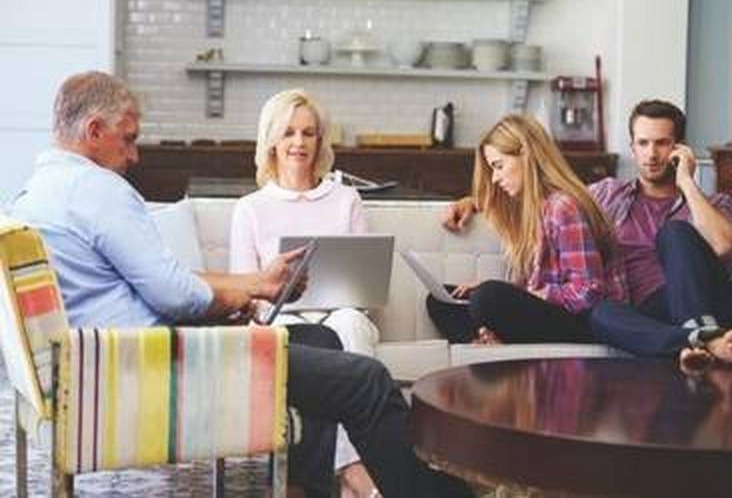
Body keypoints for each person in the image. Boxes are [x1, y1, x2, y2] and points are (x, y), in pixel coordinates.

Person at [11, 71, 472, 498]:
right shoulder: (99, 190)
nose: (134, 155)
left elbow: (153, 283)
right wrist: (248, 292)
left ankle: (306, 486)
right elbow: (174, 294)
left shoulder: (34, 195)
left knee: (326, 338)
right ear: (94, 131)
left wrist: (249, 287)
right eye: (128, 140)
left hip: (101, 361)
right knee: (367, 380)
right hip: (159, 364)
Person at [442, 100, 732, 368]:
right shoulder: (607, 194)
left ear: (679, 148)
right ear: (632, 148)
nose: (652, 154)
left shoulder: (713, 204)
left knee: (674, 233)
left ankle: (704, 333)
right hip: (640, 314)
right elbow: (552, 196)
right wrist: (474, 202)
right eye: (643, 143)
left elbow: (723, 246)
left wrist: (687, 184)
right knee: (602, 314)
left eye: (662, 143)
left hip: (705, 303)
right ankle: (698, 344)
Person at [229, 88, 379, 497]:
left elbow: (364, 285)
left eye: (309, 133)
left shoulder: (346, 199)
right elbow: (246, 292)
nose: (299, 142)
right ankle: (353, 470)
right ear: (272, 141)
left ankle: (346, 468)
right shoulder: (251, 208)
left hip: (341, 311)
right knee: (316, 340)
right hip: (283, 319)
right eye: (289, 132)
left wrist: (350, 299)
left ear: (320, 140)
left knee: (349, 322)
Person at [426, 114, 627, 345]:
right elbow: (536, 291)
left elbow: (589, 292)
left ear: (526, 154)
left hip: (585, 324)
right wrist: (470, 202)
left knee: (488, 298)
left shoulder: (563, 207)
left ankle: (495, 342)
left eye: (498, 166)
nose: (494, 178)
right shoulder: (530, 209)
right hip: (553, 315)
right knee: (441, 300)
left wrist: (516, 293)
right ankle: (489, 342)